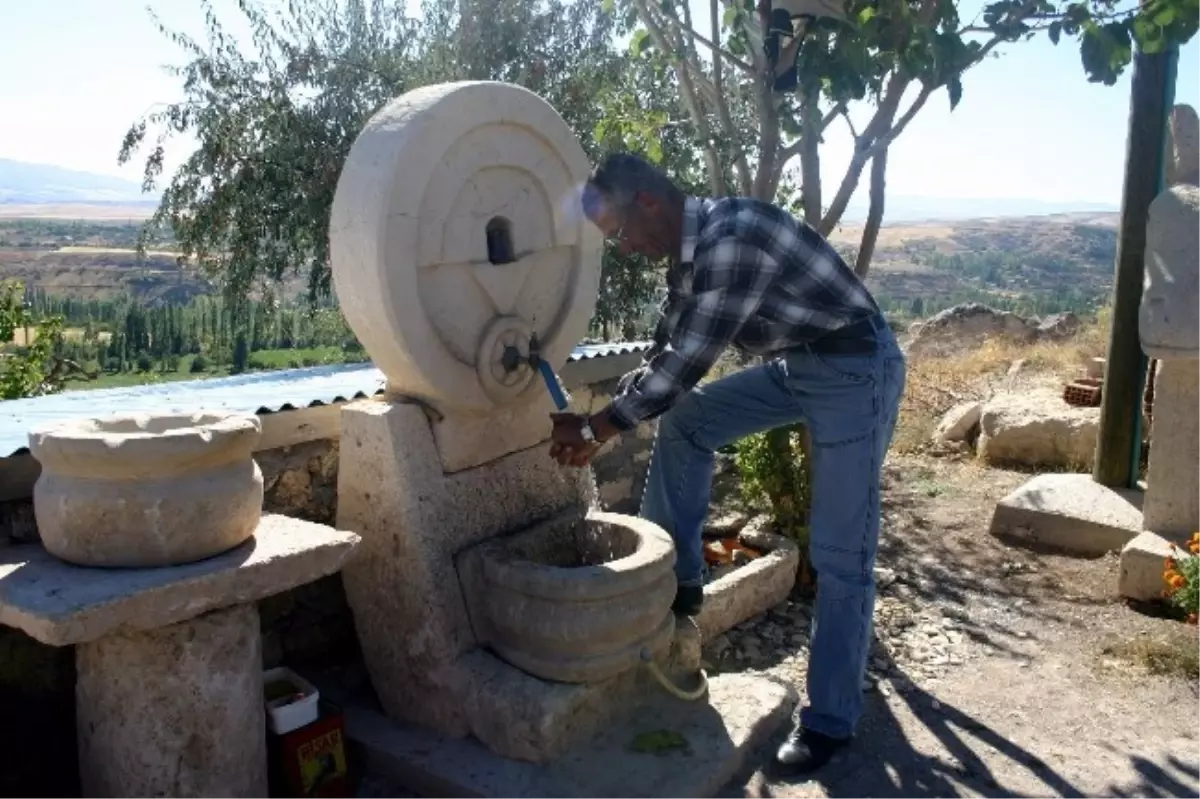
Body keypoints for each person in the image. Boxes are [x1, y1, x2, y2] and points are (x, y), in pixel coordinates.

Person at [547, 152, 907, 775]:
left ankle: (830, 721)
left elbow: (688, 362)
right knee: (689, 423)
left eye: (624, 232)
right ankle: (678, 582)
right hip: (803, 365)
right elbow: (666, 349)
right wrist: (596, 415)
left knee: (841, 554)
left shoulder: (729, 238)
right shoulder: (690, 254)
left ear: (650, 202)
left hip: (854, 371)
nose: (627, 248)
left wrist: (598, 429)